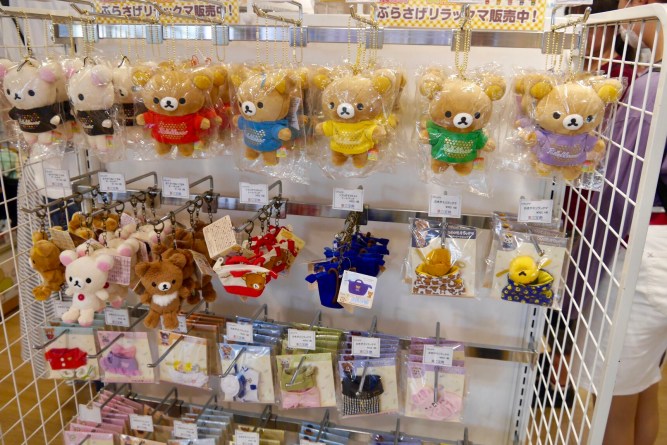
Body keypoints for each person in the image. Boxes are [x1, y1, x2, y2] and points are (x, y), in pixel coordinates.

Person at [600, 1, 667, 444]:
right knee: (644, 383)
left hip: (647, 249)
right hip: (656, 250)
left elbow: (617, 191)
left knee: (614, 399)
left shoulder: (653, 87)